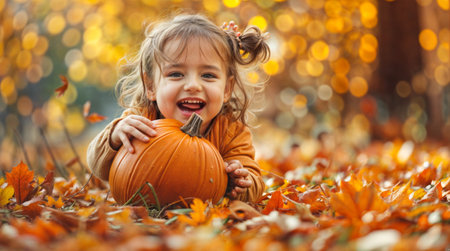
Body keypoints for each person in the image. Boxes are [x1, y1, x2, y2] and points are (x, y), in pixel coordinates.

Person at [87, 14, 270, 203]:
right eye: (176, 74)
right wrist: (115, 136)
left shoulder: (231, 131)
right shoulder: (142, 121)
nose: (193, 85)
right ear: (151, 87)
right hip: (142, 206)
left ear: (226, 89)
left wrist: (237, 182)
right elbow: (97, 166)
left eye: (207, 75)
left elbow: (254, 184)